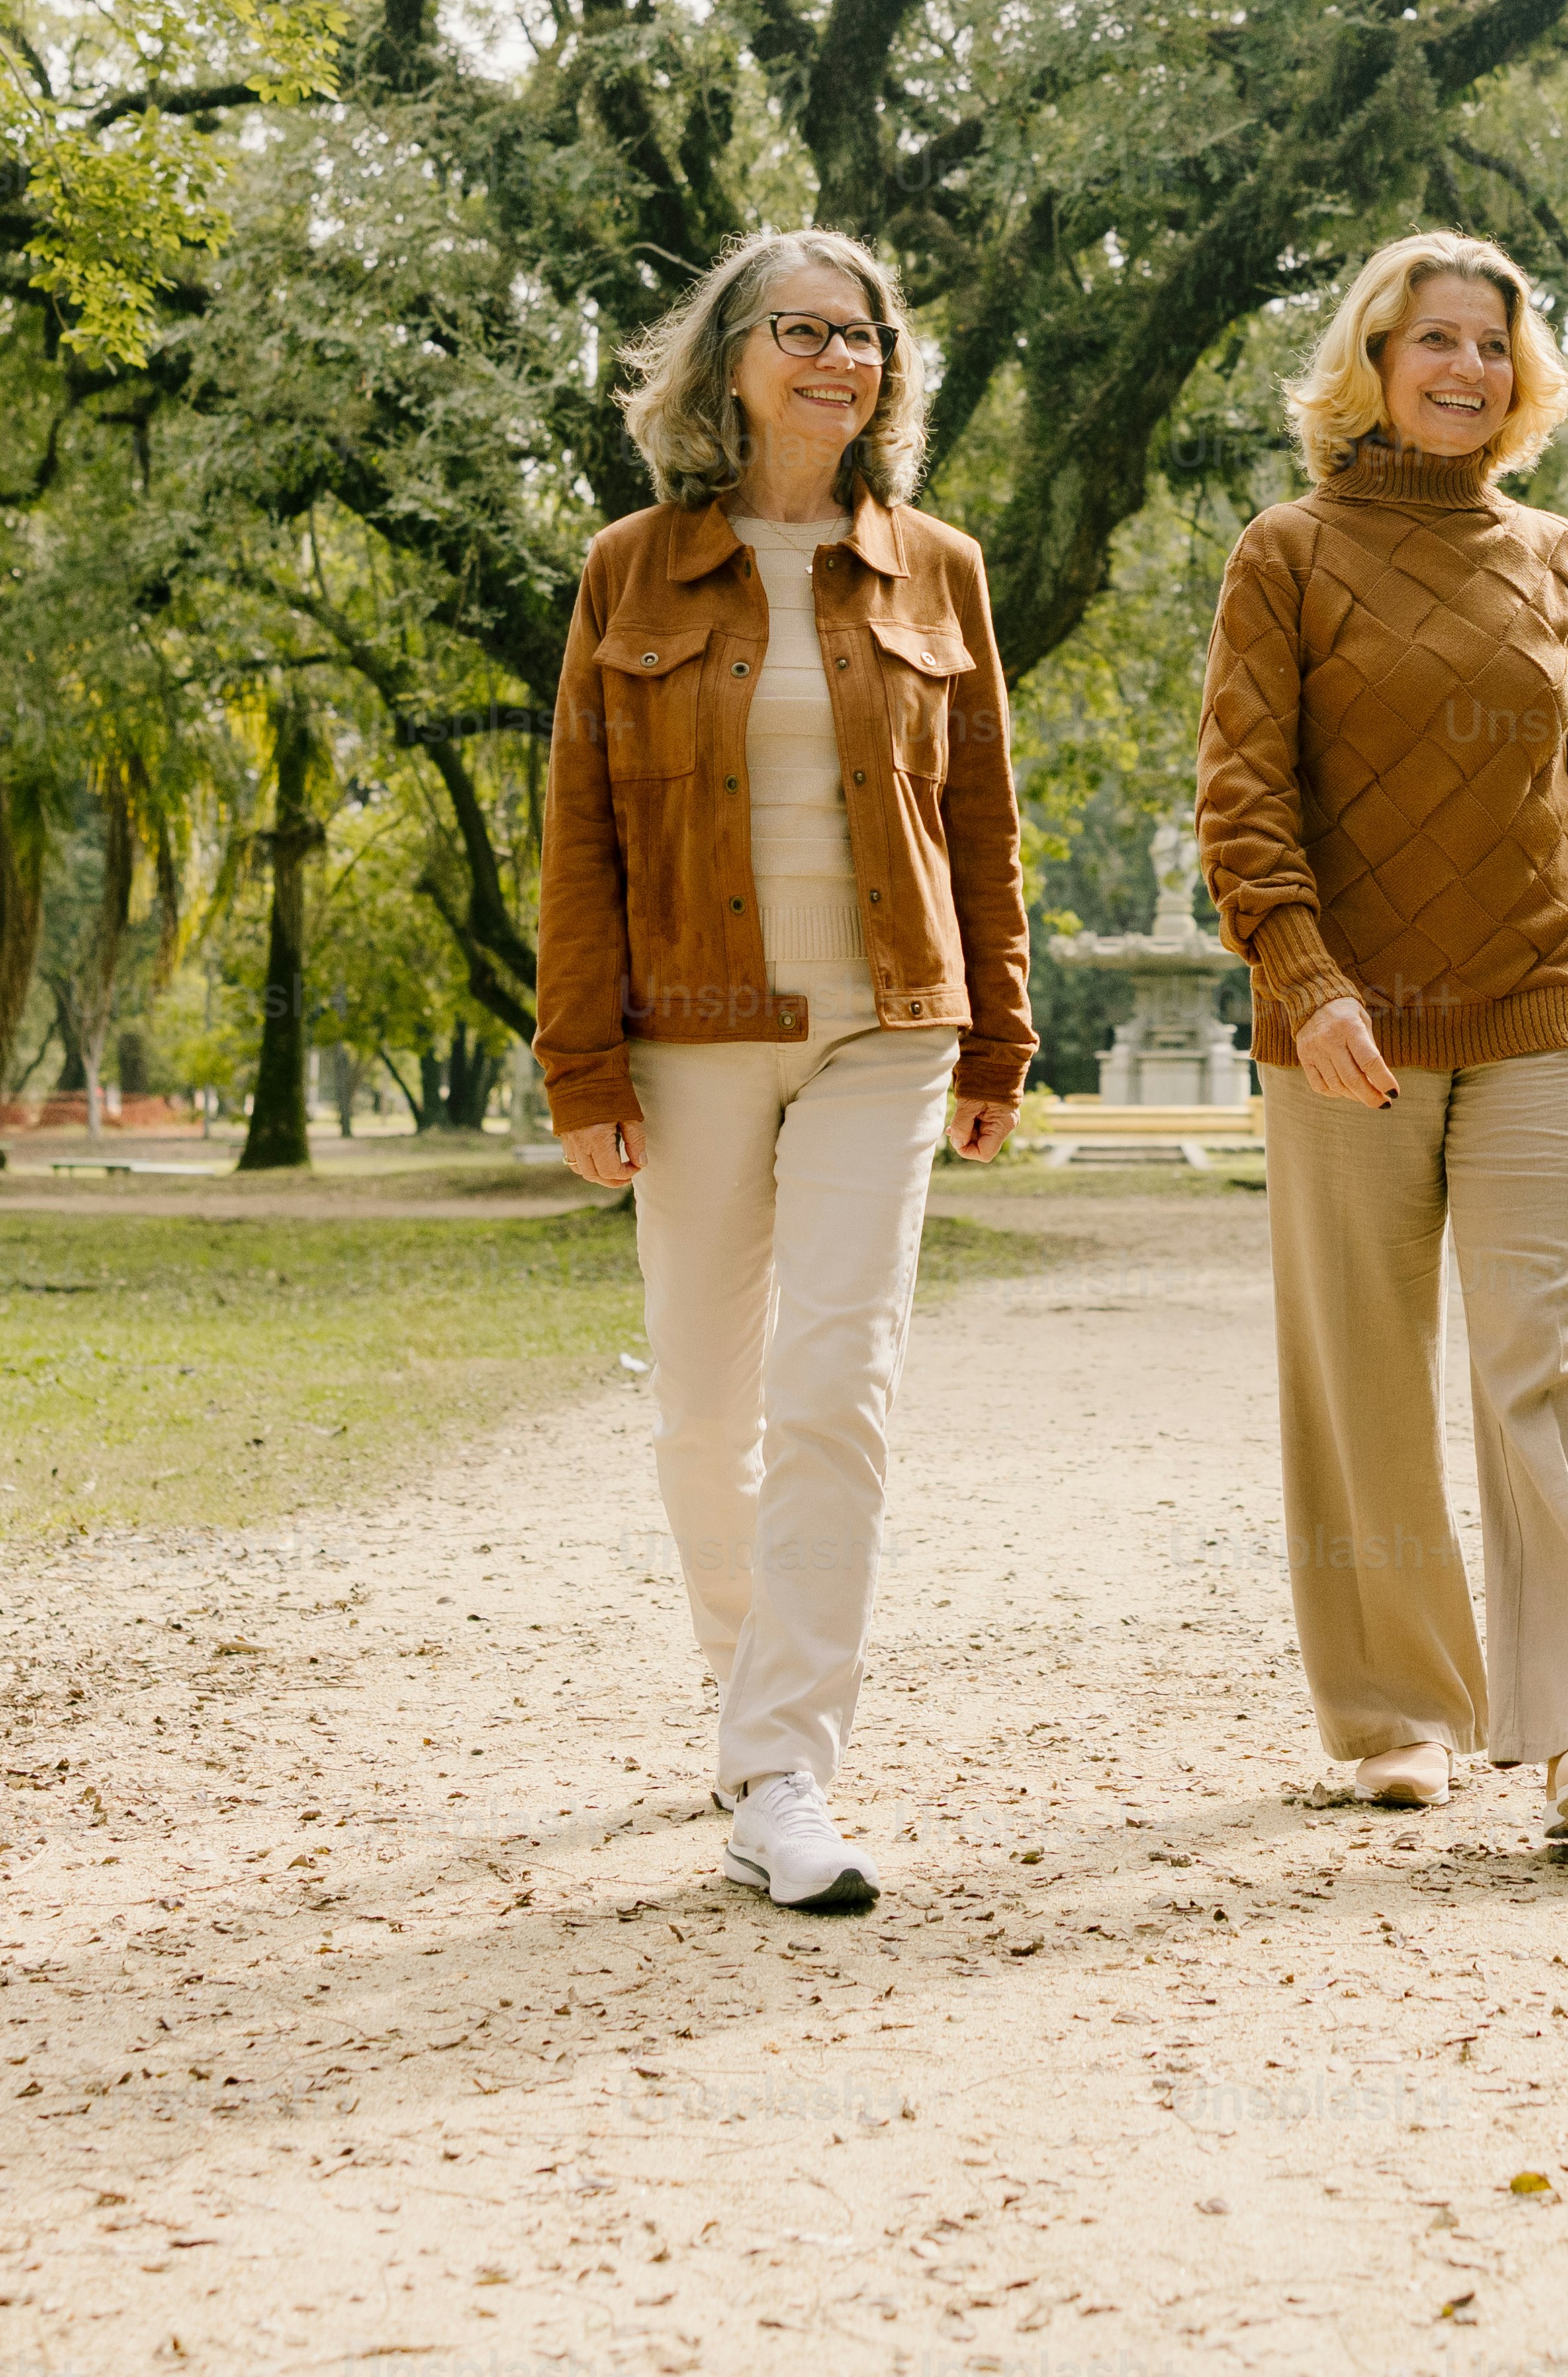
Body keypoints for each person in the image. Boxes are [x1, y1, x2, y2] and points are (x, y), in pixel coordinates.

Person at [536, 228, 1033, 1912]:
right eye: (803, 328)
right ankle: (745, 1685)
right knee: (701, 1407)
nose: (840, 356)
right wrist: (581, 1063)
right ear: (730, 358)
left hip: (890, 1020)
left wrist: (1002, 1032)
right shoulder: (631, 568)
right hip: (689, 1027)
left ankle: (784, 1763)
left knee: (839, 1381)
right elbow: (579, 831)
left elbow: (983, 823)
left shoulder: (936, 568)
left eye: (867, 332)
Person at [1195, 230, 1568, 1847]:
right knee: (1362, 1367)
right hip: (1344, 1023)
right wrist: (1306, 974)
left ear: (1520, 374)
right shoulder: (1286, 551)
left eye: (1492, 343)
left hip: (1545, 999)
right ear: (1375, 361)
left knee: (1549, 1353)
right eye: (1434, 341)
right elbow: (1243, 798)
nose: (1466, 367)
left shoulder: (1560, 557)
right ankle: (1397, 1710)